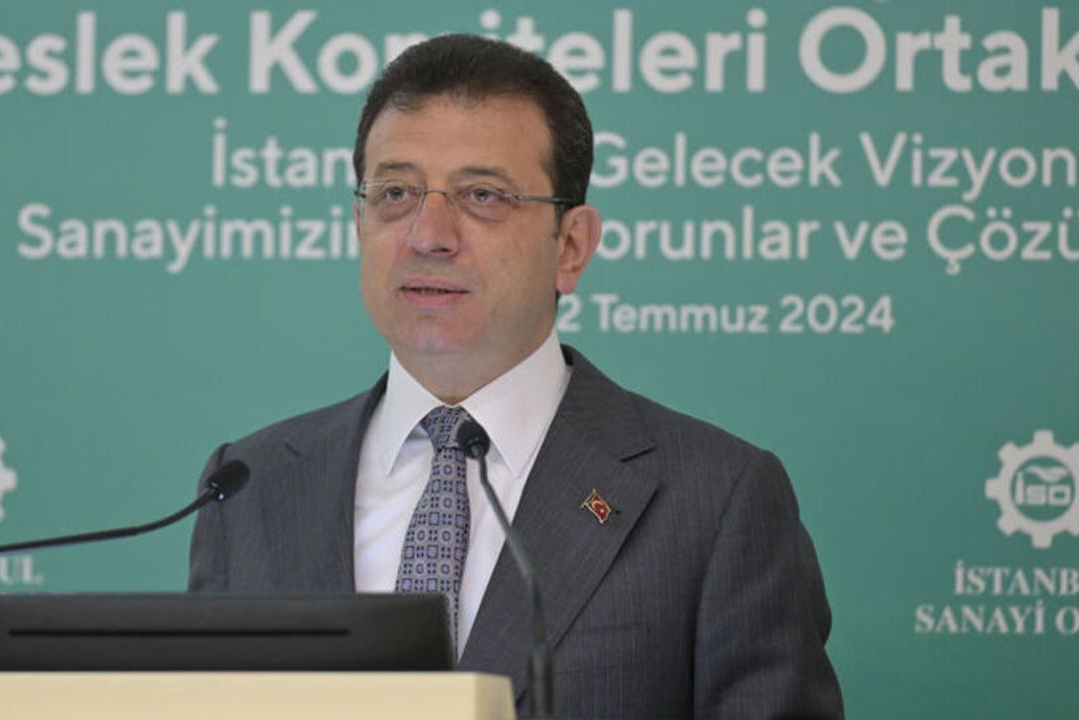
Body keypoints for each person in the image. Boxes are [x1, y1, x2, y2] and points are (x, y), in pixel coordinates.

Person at [189, 34, 843, 719]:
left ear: (571, 247)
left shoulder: (716, 500)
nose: (427, 234)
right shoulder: (250, 489)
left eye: (483, 195)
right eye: (396, 192)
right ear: (359, 222)